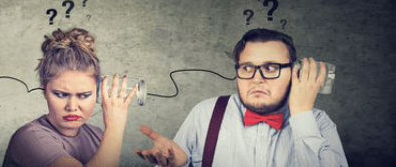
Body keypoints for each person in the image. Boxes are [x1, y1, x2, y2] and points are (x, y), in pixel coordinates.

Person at [135, 28, 348, 166]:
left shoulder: (318, 123)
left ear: (294, 73)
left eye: (271, 67)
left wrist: (302, 115)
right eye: (247, 67)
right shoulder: (206, 113)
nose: (257, 78)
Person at [3, 28, 139, 167]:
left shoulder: (98, 136)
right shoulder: (28, 138)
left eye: (84, 95)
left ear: (97, 92)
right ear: (44, 91)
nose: (72, 107)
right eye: (61, 94)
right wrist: (115, 126)